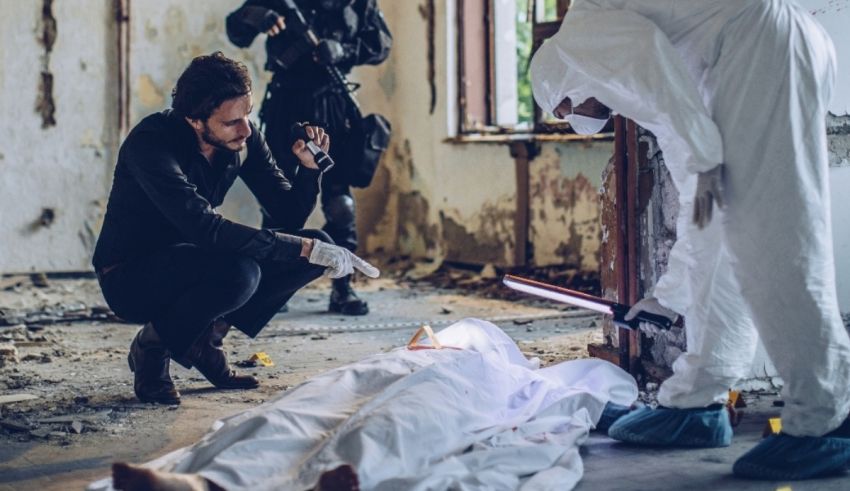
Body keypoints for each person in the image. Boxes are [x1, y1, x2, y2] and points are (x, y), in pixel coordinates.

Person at [530, 0, 850, 480]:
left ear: (561, 92)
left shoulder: (583, 39)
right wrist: (668, 297)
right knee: (727, 226)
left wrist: (703, 151)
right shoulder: (656, 81)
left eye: (580, 109)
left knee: (775, 235)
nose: (601, 111)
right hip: (759, 48)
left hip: (759, 43)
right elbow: (699, 209)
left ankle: (828, 416)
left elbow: (651, 65)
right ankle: (696, 402)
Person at [92, 52, 379, 406]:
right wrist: (299, 247)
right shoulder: (151, 143)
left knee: (315, 243)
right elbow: (204, 229)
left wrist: (308, 169)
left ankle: (205, 341)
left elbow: (287, 214)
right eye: (232, 122)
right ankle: (152, 346)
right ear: (196, 122)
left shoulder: (243, 140)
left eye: (248, 114)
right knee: (242, 272)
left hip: (191, 261)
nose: (246, 129)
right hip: (130, 276)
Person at [226, 0, 392, 316]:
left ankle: (343, 287)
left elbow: (381, 44)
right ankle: (273, 286)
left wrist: (343, 51)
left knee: (340, 203)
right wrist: (257, 16)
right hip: (286, 104)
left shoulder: (359, 3)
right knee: (276, 199)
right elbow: (236, 30)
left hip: (334, 104)